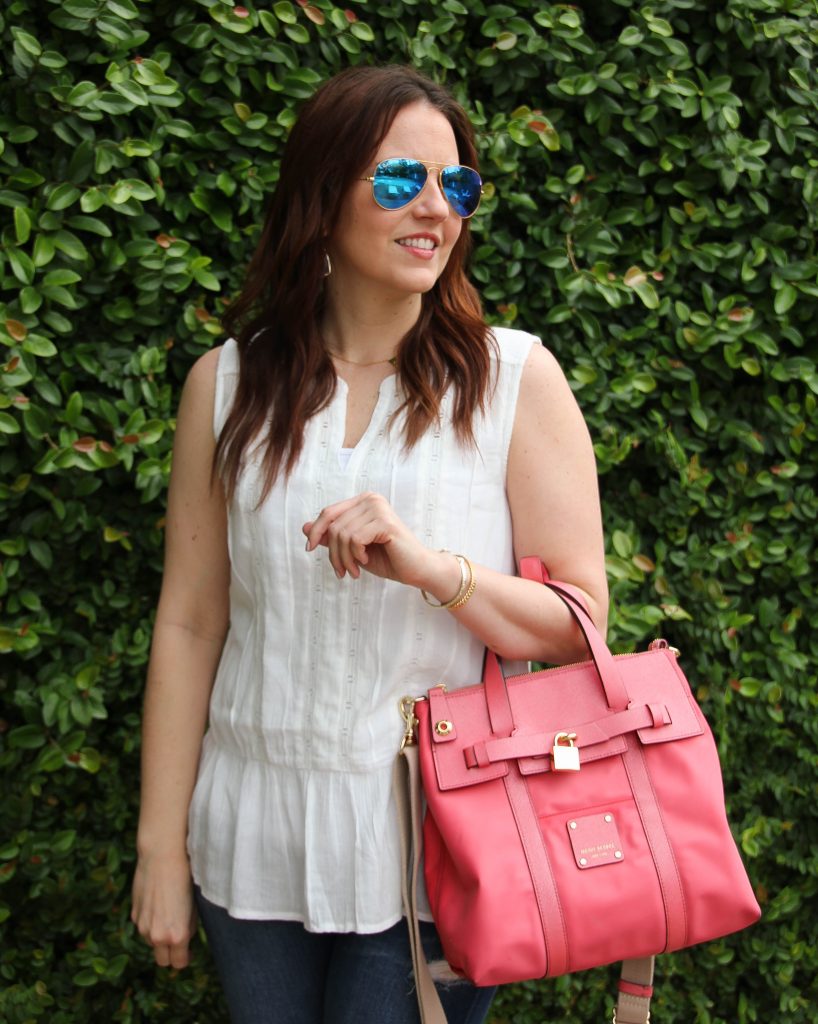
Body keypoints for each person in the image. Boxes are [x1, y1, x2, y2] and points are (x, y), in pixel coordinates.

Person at [130, 64, 608, 1024]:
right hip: (250, 840)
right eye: (400, 181)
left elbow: (575, 625)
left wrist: (432, 568)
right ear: (321, 196)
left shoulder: (515, 382)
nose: (435, 207)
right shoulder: (225, 387)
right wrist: (160, 848)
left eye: (457, 185)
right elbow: (189, 624)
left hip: (441, 853)